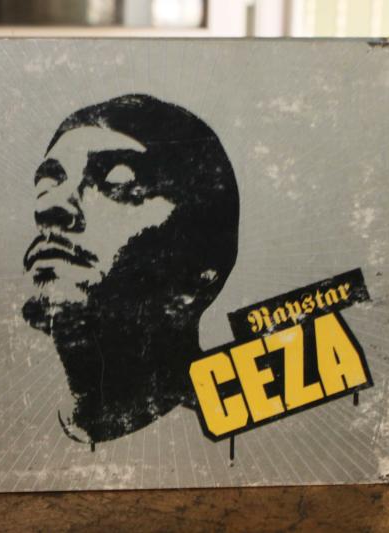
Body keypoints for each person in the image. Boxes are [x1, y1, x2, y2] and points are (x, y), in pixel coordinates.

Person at [22, 94, 239, 445]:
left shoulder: (231, 449)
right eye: (48, 184)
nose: (50, 207)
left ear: (199, 270)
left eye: (119, 181)